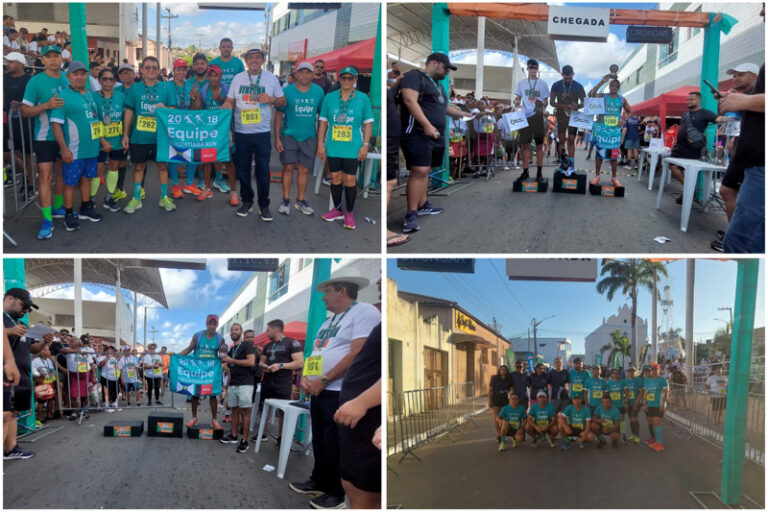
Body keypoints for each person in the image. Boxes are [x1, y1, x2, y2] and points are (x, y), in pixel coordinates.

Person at [289, 273, 379, 509]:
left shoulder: (365, 312)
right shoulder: (328, 322)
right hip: (319, 391)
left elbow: (357, 353)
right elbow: (316, 353)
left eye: (326, 292)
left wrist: (325, 379)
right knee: (319, 440)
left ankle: (336, 493)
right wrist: (307, 378)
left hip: (339, 390)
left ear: (341, 291)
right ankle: (319, 479)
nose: (323, 298)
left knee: (334, 443)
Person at [399, 52, 465, 234]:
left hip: (436, 135)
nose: (446, 73)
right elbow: (409, 101)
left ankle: (423, 203)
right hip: (418, 133)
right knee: (419, 170)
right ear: (434, 63)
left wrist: (463, 114)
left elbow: (443, 108)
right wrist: (427, 125)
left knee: (426, 170)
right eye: (445, 68)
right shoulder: (415, 76)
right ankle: (411, 214)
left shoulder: (438, 86)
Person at [224, 48, 285, 221]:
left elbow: (283, 101)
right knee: (242, 170)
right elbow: (230, 100)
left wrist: (272, 100)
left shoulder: (271, 78)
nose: (254, 60)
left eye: (258, 57)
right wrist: (228, 104)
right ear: (246, 61)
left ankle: (264, 205)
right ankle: (247, 201)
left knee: (263, 171)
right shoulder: (238, 78)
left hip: (262, 133)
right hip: (241, 133)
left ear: (263, 60)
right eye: (250, 57)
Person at [48, 60, 104, 232]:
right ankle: (69, 214)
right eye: (75, 74)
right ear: (68, 76)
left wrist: (102, 141)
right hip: (74, 150)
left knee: (87, 179)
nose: (80, 77)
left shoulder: (89, 93)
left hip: (91, 149)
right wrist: (64, 149)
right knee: (70, 184)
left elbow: (96, 120)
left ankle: (85, 208)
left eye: (83, 73)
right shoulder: (62, 97)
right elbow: (56, 124)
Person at [21, 44, 69, 239]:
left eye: (56, 56)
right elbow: (25, 111)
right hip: (45, 136)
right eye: (48, 56)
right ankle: (47, 220)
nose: (53, 59)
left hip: (67, 135)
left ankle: (58, 208)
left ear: (62, 59)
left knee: (62, 174)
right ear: (42, 60)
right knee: (46, 176)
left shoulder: (68, 77)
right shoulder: (35, 82)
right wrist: (47, 105)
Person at [333, 319, 382, 509]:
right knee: (355, 490)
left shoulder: (367, 315)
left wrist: (363, 401)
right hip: (358, 422)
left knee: (366, 497)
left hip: (367, 419)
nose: (380, 286)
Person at [317, 65, 373, 229]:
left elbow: (368, 124)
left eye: (351, 78)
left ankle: (349, 213)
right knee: (335, 178)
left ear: (356, 80)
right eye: (344, 78)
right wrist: (320, 143)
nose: (347, 81)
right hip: (334, 145)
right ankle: (338, 209)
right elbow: (323, 123)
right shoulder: (330, 97)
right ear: (339, 79)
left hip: (353, 146)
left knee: (349, 180)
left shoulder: (363, 98)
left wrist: (365, 145)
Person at [719, 59, 764, 253]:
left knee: (740, 244)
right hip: (748, 155)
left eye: (741, 74)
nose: (736, 78)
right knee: (727, 191)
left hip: (759, 162)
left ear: (755, 76)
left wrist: (745, 101)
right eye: (734, 75)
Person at [122, 56, 175, 213]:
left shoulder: (166, 88)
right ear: (142, 70)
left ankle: (164, 197)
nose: (151, 70)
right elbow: (129, 111)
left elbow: (173, 109)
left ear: (159, 70)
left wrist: (164, 107)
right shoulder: (135, 88)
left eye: (154, 67)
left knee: (162, 167)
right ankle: (136, 198)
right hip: (139, 137)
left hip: (160, 137)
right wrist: (125, 134)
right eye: (147, 67)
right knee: (138, 167)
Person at [275, 61, 324, 216]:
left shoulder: (319, 92)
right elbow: (278, 114)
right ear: (295, 75)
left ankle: (301, 201)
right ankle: (285, 200)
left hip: (309, 136)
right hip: (289, 135)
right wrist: (277, 138)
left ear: (312, 74)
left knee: (303, 169)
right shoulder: (287, 91)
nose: (304, 75)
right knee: (288, 167)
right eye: (301, 72)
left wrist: (320, 141)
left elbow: (322, 117)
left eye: (307, 72)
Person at [3, 288, 47, 460]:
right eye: (24, 306)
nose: (26, 311)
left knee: (14, 412)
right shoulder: (4, 320)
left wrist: (44, 341)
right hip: (5, 373)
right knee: (5, 413)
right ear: (10, 299)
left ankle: (11, 448)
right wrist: (8, 332)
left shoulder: (21, 324)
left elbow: (32, 348)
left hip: (22, 374)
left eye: (28, 308)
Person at [667, 91, 725, 200]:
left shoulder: (705, 113)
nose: (689, 101)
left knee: (688, 171)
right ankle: (689, 189)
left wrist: (727, 117)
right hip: (679, 147)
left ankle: (688, 192)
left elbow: (719, 119)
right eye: (687, 99)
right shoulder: (685, 114)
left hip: (693, 148)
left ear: (699, 100)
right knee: (672, 166)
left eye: (692, 99)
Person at [254, 319, 304, 445]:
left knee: (283, 411)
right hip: (267, 381)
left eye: (268, 330)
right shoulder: (268, 345)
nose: (266, 333)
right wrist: (264, 366)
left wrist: (280, 365)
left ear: (276, 329)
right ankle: (262, 433)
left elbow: (299, 362)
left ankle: (281, 437)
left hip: (283, 382)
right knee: (264, 406)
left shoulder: (292, 342)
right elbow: (262, 362)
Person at [179, 314, 228, 428]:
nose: (212, 326)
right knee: (195, 394)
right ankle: (194, 418)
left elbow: (222, 356)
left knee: (213, 395)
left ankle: (214, 420)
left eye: (214, 324)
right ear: (206, 324)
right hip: (197, 370)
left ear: (217, 325)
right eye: (210, 323)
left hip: (211, 371)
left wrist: (223, 364)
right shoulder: (198, 336)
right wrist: (177, 356)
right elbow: (189, 348)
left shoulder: (220, 339)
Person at [587, 76, 633, 187]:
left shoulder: (621, 99)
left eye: (616, 86)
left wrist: (624, 120)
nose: (614, 87)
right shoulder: (603, 96)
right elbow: (590, 95)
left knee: (614, 156)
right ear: (609, 86)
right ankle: (597, 177)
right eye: (612, 85)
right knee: (600, 155)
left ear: (618, 87)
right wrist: (601, 81)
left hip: (614, 132)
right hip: (602, 130)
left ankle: (614, 178)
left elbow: (630, 111)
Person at [93, 67, 127, 212]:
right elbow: (93, 120)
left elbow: (126, 117)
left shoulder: (120, 96)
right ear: (99, 80)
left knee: (114, 169)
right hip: (98, 141)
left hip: (117, 140)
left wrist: (125, 136)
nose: (108, 82)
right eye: (104, 79)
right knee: (97, 172)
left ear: (115, 81)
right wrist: (102, 141)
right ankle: (90, 199)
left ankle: (109, 198)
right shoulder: (93, 96)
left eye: (111, 79)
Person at [219, 323, 256, 453]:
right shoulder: (231, 349)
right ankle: (234, 436)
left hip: (245, 384)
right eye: (232, 330)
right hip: (233, 383)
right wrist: (225, 364)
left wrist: (231, 361)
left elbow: (251, 362)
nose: (233, 332)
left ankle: (244, 440)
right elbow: (227, 363)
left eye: (236, 329)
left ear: (241, 331)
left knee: (245, 413)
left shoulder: (247, 345)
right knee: (234, 411)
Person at [512, 58, 549, 183]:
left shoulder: (543, 84)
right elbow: (517, 98)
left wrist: (542, 104)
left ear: (537, 70)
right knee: (525, 146)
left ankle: (539, 172)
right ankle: (525, 171)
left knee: (539, 145)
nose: (533, 69)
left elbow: (546, 101)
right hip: (525, 117)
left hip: (537, 116)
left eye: (535, 68)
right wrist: (516, 103)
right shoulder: (521, 83)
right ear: (527, 68)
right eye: (531, 67)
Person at [4, 51, 34, 199]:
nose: (8, 64)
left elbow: (35, 100)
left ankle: (30, 184)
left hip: (25, 122)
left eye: (11, 61)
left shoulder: (29, 80)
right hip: (8, 122)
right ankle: (27, 175)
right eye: (7, 61)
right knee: (7, 152)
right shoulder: (4, 78)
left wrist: (22, 105)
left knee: (27, 155)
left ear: (20, 63)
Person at [386, 80, 409, 247]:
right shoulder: (387, 89)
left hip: (391, 143)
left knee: (390, 182)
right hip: (387, 142)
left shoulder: (390, 90)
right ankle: (384, 231)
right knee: (388, 183)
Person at [643, 363, 669, 452]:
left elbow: (666, 392)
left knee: (657, 423)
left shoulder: (662, 380)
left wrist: (663, 404)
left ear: (659, 370)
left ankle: (660, 444)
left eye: (655, 369)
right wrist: (645, 404)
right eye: (652, 370)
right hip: (650, 405)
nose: (654, 371)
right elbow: (647, 393)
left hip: (659, 405)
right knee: (653, 423)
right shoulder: (649, 381)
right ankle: (656, 441)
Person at [488, 365, 512, 444]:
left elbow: (510, 390)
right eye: (501, 369)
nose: (503, 371)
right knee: (496, 419)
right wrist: (489, 401)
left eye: (504, 370)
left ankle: (502, 434)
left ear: (506, 371)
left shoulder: (508, 379)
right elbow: (490, 390)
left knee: (503, 419)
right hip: (495, 400)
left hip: (504, 401)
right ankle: (499, 435)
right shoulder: (494, 378)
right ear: (499, 371)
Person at [96, 345, 122, 412]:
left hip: (115, 378)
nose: (110, 351)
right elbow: (100, 364)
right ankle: (106, 406)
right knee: (106, 392)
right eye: (109, 350)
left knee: (117, 391)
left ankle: (114, 404)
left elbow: (118, 366)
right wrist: (107, 357)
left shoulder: (115, 358)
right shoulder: (101, 357)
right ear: (105, 351)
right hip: (106, 377)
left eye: (112, 350)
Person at [605, 368, 627, 442]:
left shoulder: (623, 382)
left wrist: (626, 403)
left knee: (622, 421)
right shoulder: (609, 383)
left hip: (620, 405)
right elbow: (607, 394)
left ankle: (623, 436)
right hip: (612, 406)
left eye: (617, 373)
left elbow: (626, 394)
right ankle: (614, 435)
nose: (616, 375)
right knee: (613, 421)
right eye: (614, 373)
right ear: (611, 375)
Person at [622, 367, 643, 444]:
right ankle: (633, 435)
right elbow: (625, 392)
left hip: (636, 403)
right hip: (628, 403)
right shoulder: (625, 381)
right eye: (630, 371)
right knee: (631, 419)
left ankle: (637, 436)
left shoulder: (638, 380)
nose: (631, 373)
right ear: (628, 372)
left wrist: (637, 401)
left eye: (633, 372)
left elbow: (641, 392)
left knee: (634, 419)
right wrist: (626, 402)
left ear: (635, 372)